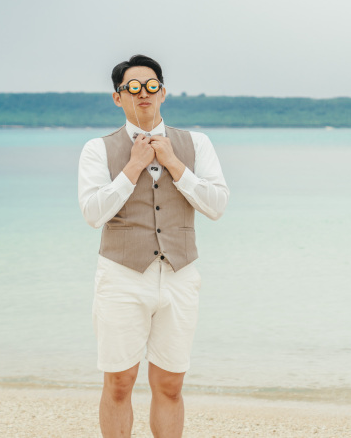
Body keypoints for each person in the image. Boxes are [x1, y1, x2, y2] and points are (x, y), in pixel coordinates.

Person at [78, 54, 229, 438]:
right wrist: (133, 166)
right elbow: (93, 213)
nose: (142, 93)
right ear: (118, 97)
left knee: (171, 385)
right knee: (119, 383)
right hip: (121, 276)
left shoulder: (196, 144)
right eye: (132, 87)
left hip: (180, 276)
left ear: (162, 92)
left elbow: (216, 206)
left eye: (150, 86)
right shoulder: (97, 149)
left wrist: (175, 165)